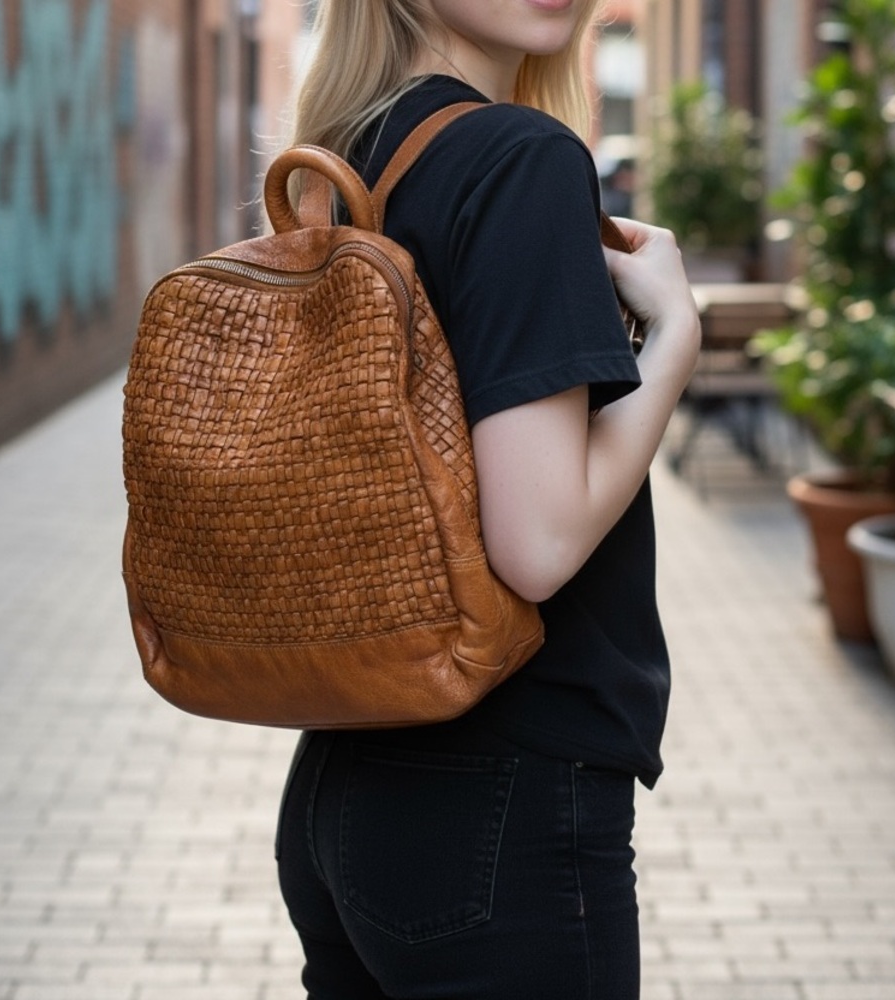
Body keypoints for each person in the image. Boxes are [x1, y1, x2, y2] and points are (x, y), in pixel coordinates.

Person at [274, 2, 701, 998]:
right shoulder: (520, 157)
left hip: (345, 789)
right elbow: (538, 542)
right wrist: (675, 339)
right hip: (503, 806)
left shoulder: (352, 161)